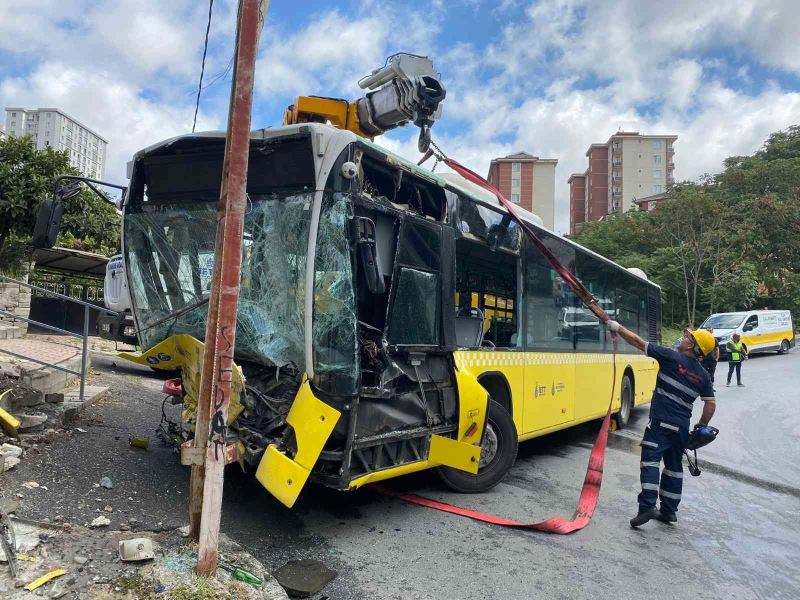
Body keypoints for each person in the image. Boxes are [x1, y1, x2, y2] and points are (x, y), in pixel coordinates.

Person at [605, 319, 716, 528]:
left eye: (687, 337)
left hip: (660, 424)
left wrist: (617, 328)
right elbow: (710, 404)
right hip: (681, 428)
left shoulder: (671, 357)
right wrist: (700, 426)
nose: (683, 338)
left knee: (650, 461)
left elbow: (639, 342)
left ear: (692, 345)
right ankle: (669, 511)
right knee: (674, 467)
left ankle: (647, 506)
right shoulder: (704, 376)